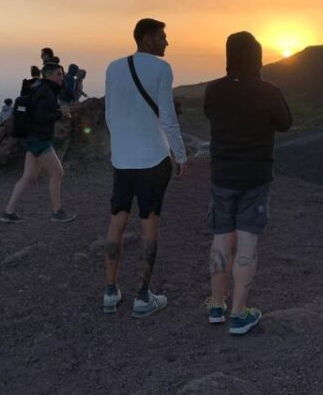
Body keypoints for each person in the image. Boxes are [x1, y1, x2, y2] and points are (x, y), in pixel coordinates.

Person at [203, 32, 292, 335]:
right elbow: (285, 123)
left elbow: (211, 114)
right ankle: (240, 314)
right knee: (247, 241)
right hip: (255, 177)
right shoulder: (268, 91)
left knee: (220, 239)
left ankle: (217, 306)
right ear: (258, 57)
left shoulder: (214, 90)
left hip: (222, 177)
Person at [102, 18, 187, 318]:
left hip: (122, 159)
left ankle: (110, 292)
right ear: (148, 39)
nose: (167, 42)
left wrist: (121, 145)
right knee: (149, 223)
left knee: (117, 220)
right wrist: (180, 155)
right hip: (153, 159)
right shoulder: (162, 69)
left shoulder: (113, 68)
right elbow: (168, 118)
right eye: (162, 37)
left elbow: (109, 115)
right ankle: (142, 296)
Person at [0, 58, 76, 223]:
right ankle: (57, 212)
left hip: (32, 138)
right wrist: (60, 114)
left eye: (61, 74)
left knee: (29, 177)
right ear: (48, 75)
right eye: (58, 74)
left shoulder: (41, 89)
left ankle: (8, 212)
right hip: (40, 139)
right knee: (57, 173)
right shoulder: (46, 92)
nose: (61, 77)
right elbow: (41, 117)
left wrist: (57, 112)